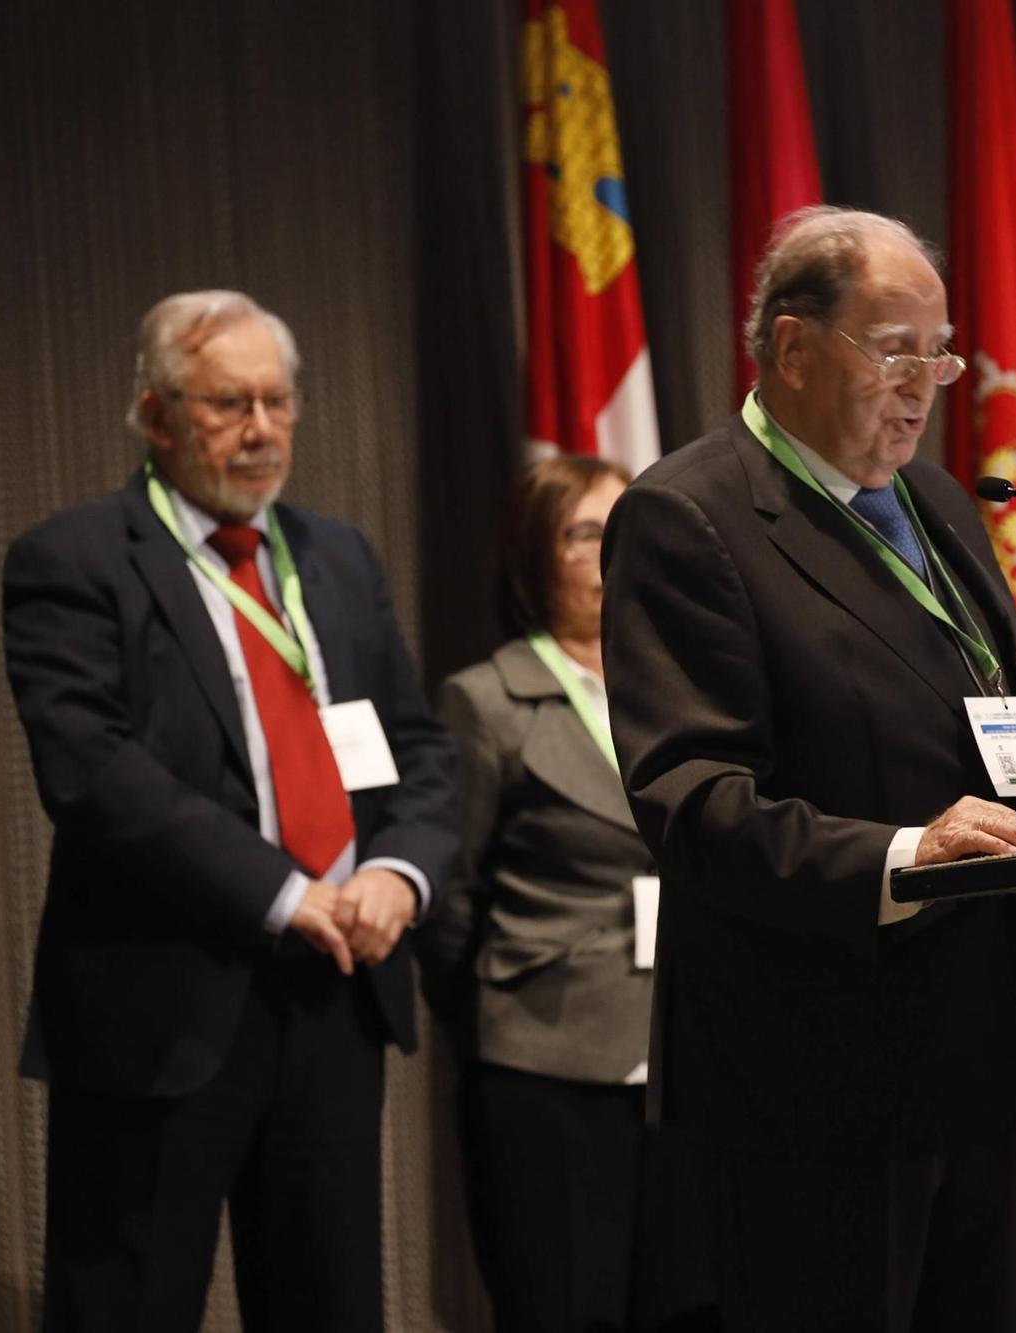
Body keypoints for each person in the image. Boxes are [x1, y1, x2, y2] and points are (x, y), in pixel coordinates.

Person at [600, 206, 1016, 1331]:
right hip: (812, 1084)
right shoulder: (687, 518)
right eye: (894, 348)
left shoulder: (936, 503)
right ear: (790, 348)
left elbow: (1005, 741)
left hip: (974, 1053)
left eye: (939, 349)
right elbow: (694, 802)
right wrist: (906, 856)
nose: (926, 380)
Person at [1, 290, 456, 1330]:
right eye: (226, 404)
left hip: (335, 993)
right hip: (161, 1005)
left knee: (329, 1301)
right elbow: (91, 770)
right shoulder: (70, 561)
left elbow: (418, 748)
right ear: (157, 417)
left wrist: (399, 872)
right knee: (130, 1303)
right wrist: (283, 890)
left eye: (276, 400)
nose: (260, 429)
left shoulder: (336, 555)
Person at [419, 455, 715, 1333]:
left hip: (688, 1054)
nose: (611, 548)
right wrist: (495, 1028)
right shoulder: (487, 701)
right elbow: (448, 903)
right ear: (535, 555)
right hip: (545, 1065)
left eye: (625, 525)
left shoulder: (690, 695)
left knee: (696, 1307)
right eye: (586, 531)